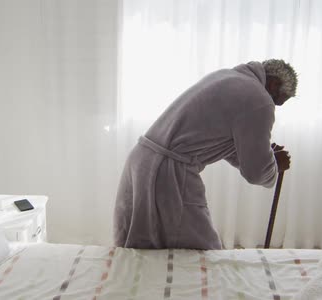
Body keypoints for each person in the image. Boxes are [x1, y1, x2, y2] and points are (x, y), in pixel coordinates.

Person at [113, 59, 297, 250]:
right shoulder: (259, 100)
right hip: (167, 172)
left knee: (140, 250)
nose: (275, 106)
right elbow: (256, 172)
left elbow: (222, 142)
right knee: (201, 252)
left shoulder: (227, 77)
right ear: (274, 85)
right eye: (278, 101)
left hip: (142, 160)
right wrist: (274, 166)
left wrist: (266, 157)